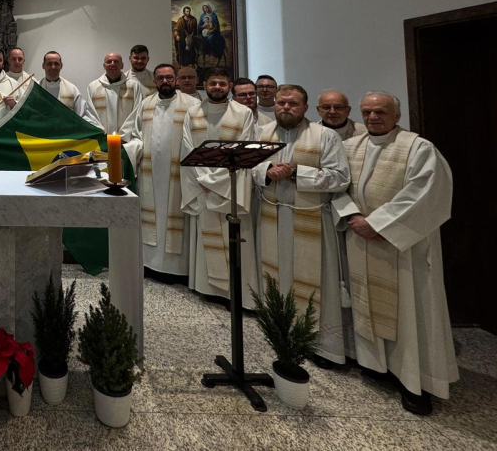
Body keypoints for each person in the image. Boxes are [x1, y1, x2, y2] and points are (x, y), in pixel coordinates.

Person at [333, 92, 458, 415]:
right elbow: (337, 187)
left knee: (410, 311)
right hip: (360, 238)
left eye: (380, 111)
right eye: (367, 112)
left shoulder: (419, 148)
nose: (373, 117)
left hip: (402, 247)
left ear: (397, 116)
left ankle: (415, 381)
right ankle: (376, 365)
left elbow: (425, 194)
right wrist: (352, 216)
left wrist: (377, 224)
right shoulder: (350, 147)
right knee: (365, 300)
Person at [250, 85, 351, 367]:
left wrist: (296, 172)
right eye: (281, 102)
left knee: (317, 282)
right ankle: (280, 335)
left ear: (305, 108)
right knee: (276, 277)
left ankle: (323, 346)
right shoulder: (262, 133)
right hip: (272, 216)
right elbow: (251, 167)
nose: (286, 108)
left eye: (293, 104)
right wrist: (267, 171)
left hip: (311, 219)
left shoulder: (325, 136)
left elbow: (340, 178)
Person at [180, 67, 258, 303]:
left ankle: (235, 293)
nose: (217, 87)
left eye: (222, 84)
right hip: (203, 185)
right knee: (207, 236)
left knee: (234, 237)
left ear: (230, 86)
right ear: (205, 85)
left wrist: (214, 181)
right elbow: (187, 147)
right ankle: (207, 288)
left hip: (230, 186)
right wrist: (205, 179)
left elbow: (246, 148)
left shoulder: (243, 113)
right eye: (213, 83)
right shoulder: (193, 112)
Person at [121, 63, 200, 283]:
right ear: (154, 81)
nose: (165, 81)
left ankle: (178, 269)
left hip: (181, 175)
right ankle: (151, 265)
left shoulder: (192, 105)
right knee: (152, 219)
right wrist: (128, 150)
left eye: (169, 77)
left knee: (177, 218)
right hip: (151, 174)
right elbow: (134, 135)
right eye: (160, 78)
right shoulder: (146, 104)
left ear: (176, 80)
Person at [39, 51, 100, 127]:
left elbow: (82, 115)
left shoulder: (72, 89)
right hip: (42, 132)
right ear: (43, 65)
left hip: (66, 132)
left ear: (61, 66)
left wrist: (97, 128)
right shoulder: (36, 89)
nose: (53, 67)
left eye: (56, 64)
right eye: (49, 64)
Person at [87, 52, 143, 134]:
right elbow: (90, 113)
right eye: (109, 61)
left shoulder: (133, 86)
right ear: (104, 66)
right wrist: (100, 131)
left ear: (122, 65)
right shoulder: (93, 86)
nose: (112, 64)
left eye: (116, 61)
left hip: (127, 138)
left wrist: (124, 134)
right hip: (102, 136)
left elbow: (137, 112)